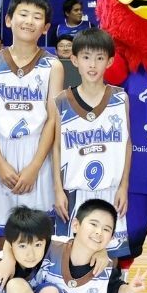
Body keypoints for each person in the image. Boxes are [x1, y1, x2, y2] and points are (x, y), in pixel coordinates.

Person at [0, 0, 62, 263]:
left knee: (38, 238)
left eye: (37, 17)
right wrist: (0, 163)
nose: (29, 21)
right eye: (23, 14)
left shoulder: (53, 66)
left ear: (46, 27)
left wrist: (35, 166)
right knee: (0, 242)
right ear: (9, 20)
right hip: (2, 154)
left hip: (37, 156)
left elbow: (52, 120)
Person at [51, 25, 128, 236]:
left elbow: (127, 145)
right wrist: (58, 189)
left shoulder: (120, 98)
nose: (92, 65)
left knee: (109, 251)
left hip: (110, 191)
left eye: (99, 58)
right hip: (73, 192)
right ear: (74, 60)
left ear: (110, 61)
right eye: (86, 57)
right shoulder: (62, 100)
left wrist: (123, 187)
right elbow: (56, 148)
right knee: (72, 250)